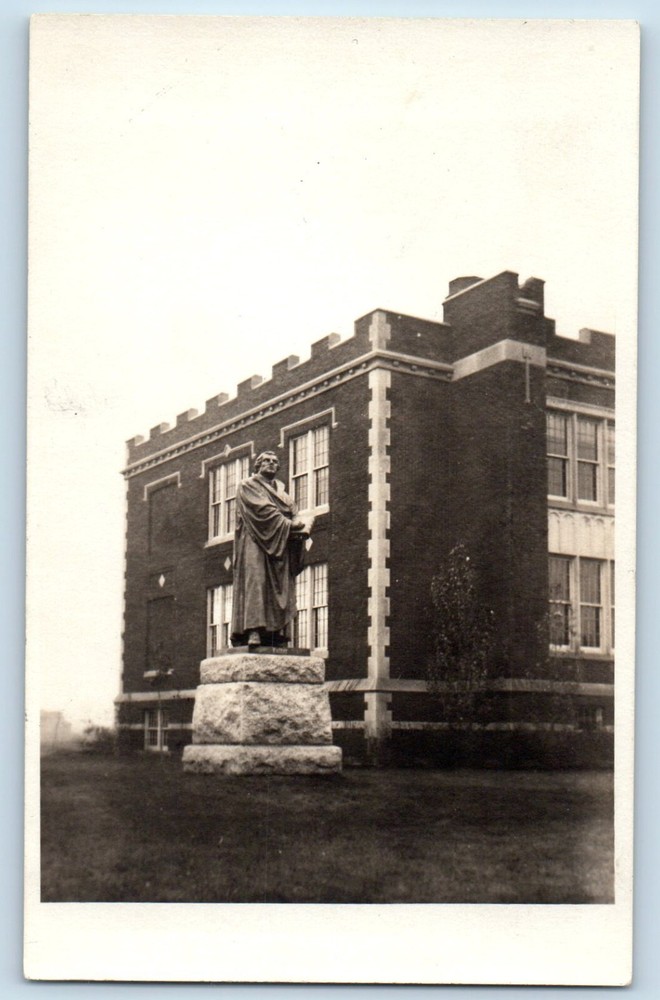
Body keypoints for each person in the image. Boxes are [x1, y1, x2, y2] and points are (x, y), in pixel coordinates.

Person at [230, 451, 314, 648]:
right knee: (256, 582)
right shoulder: (247, 486)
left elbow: (294, 513)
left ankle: (276, 632)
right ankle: (253, 631)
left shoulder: (284, 495)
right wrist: (290, 524)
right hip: (254, 541)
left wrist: (300, 524)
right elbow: (262, 511)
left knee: (280, 586)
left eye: (274, 461)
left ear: (278, 468)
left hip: (280, 542)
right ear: (258, 465)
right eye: (266, 460)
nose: (270, 463)